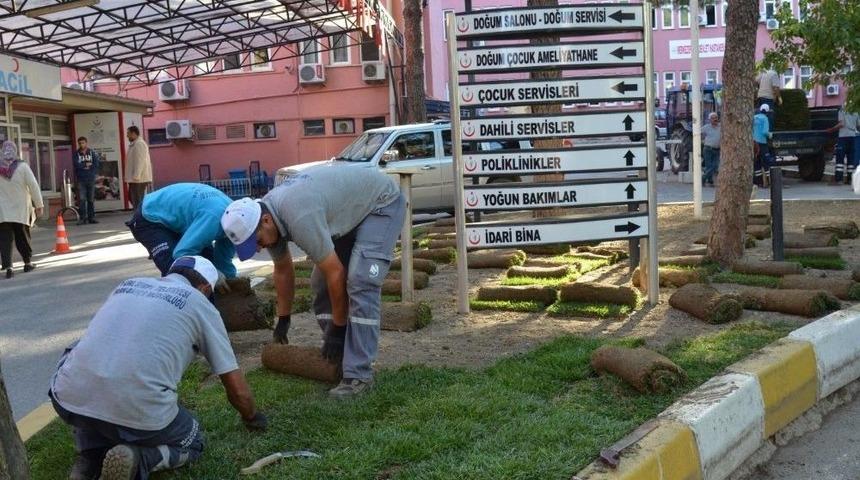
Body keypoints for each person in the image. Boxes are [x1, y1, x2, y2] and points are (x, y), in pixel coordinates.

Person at [49, 256, 267, 480]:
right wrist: (253, 417)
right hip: (137, 408)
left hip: (67, 398)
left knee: (86, 360)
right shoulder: (200, 303)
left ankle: (90, 456)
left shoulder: (127, 286)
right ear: (204, 288)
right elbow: (237, 389)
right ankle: (140, 458)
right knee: (193, 442)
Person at [221, 165, 405, 398]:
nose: (258, 248)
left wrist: (338, 329)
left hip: (381, 203)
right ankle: (338, 357)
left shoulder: (298, 216)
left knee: (361, 280)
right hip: (352, 211)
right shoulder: (268, 215)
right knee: (319, 282)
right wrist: (283, 319)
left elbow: (336, 273)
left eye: (256, 241)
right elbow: (283, 269)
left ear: (266, 221)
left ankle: (359, 375)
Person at [126, 183, 237, 285]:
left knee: (207, 265)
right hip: (151, 216)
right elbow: (182, 254)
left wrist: (230, 281)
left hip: (179, 218)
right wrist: (215, 275)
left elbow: (223, 261)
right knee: (179, 270)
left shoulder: (236, 220)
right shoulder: (214, 219)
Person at [0, 140, 43, 279]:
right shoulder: (22, 166)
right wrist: (39, 205)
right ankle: (27, 263)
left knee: (5, 239)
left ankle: (8, 267)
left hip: (3, 211)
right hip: (21, 209)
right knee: (22, 236)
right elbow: (33, 186)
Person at [73, 136, 101, 225]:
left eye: (83, 143)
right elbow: (76, 165)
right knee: (81, 199)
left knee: (91, 199)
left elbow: (96, 164)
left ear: (86, 143)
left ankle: (91, 217)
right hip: (81, 179)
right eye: (80, 143)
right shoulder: (76, 154)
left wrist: (87, 167)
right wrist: (86, 165)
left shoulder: (92, 153)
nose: (82, 145)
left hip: (91, 178)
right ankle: (82, 218)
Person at [829, 105, 858, 185]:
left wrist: (831, 130)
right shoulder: (856, 111)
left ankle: (839, 180)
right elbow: (858, 124)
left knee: (840, 159)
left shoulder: (842, 110)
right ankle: (850, 180)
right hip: (852, 136)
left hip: (843, 137)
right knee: (851, 159)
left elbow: (841, 124)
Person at [125, 126, 152, 208]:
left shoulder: (139, 144)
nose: (127, 136)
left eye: (128, 134)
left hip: (138, 179)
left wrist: (136, 176)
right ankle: (136, 218)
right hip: (135, 179)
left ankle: (139, 219)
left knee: (137, 200)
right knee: (134, 199)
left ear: (133, 134)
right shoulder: (135, 144)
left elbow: (140, 161)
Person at [753, 104, 773, 188]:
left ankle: (759, 182)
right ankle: (768, 181)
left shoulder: (754, 117)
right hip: (762, 143)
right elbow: (765, 132)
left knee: (756, 163)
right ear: (767, 112)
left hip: (754, 143)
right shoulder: (765, 118)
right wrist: (770, 135)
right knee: (766, 161)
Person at [701, 112, 721, 186]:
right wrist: (702, 140)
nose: (715, 119)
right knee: (709, 166)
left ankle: (703, 178)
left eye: (716, 117)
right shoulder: (706, 127)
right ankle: (710, 181)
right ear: (709, 120)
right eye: (713, 118)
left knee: (715, 166)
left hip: (717, 149)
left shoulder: (721, 127)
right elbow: (697, 132)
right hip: (708, 149)